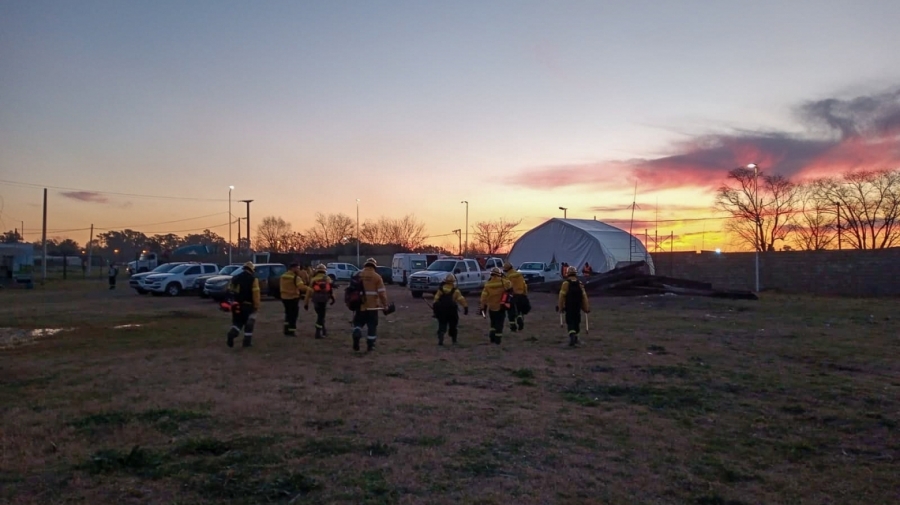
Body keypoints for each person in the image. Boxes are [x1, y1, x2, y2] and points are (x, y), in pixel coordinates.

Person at [350, 258, 389, 352]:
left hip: (359, 306)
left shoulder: (357, 275)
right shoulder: (377, 277)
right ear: (374, 266)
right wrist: (385, 305)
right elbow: (382, 293)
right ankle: (370, 346)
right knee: (372, 327)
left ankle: (357, 331)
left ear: (365, 265)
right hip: (372, 307)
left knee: (358, 323)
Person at [226, 262, 261, 348]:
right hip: (248, 305)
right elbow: (256, 294)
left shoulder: (235, 278)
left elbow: (229, 291)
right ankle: (247, 343)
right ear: (251, 270)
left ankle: (232, 334)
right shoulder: (253, 279)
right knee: (249, 324)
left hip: (236, 305)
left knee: (237, 323)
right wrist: (256, 305)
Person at [557, 266, 590, 347]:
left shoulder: (565, 283)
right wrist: (586, 308)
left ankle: (572, 335)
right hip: (577, 307)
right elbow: (584, 297)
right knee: (577, 321)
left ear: (567, 273)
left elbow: (561, 296)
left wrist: (560, 307)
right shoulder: (580, 284)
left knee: (570, 321)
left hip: (569, 307)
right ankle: (576, 337)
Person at [432, 273, 468, 345]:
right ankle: (454, 340)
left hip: (442, 311)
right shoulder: (456, 291)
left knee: (442, 324)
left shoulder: (441, 289)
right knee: (453, 325)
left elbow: (435, 299)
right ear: (453, 281)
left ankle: (441, 336)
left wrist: (435, 310)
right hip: (452, 311)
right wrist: (465, 307)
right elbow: (461, 299)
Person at [480, 267, 513, 345]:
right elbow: (510, 286)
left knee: (493, 323)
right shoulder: (504, 282)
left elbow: (483, 297)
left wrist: (482, 306)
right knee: (499, 324)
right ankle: (497, 340)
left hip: (491, 307)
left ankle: (492, 337)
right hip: (501, 307)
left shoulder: (487, 284)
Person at [279, 263, 311, 337]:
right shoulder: (296, 277)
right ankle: (292, 331)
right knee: (293, 315)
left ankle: (286, 329)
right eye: (297, 268)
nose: (298, 270)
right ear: (293, 268)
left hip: (284, 298)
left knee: (288, 314)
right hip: (293, 298)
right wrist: (310, 289)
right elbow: (301, 287)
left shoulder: (283, 276)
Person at [305, 263, 335, 339]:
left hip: (316, 300)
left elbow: (308, 291)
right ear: (325, 271)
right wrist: (333, 299)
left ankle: (324, 330)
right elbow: (330, 291)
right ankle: (318, 333)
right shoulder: (327, 278)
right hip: (324, 301)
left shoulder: (313, 279)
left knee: (320, 315)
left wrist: (306, 303)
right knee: (321, 316)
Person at [502, 261, 529, 331]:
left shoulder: (507, 276)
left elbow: (506, 287)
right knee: (519, 309)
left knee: (511, 311)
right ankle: (519, 318)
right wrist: (525, 294)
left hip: (512, 295)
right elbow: (524, 285)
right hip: (521, 294)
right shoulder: (519, 274)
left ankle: (513, 326)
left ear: (506, 269)